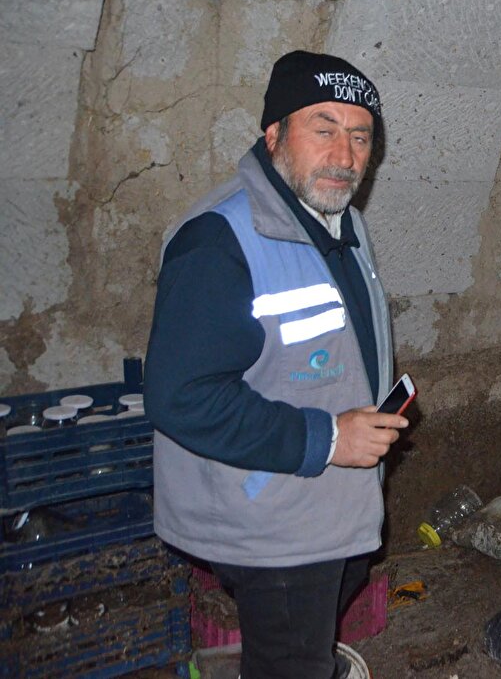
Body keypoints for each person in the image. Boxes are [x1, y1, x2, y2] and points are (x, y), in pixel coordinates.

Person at [145, 50, 407, 679]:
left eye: (360, 136)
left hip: (333, 503)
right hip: (271, 520)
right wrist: (329, 438)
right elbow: (181, 396)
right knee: (292, 661)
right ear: (273, 135)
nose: (344, 155)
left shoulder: (342, 221)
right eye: (323, 129)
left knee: (303, 646)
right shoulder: (219, 239)